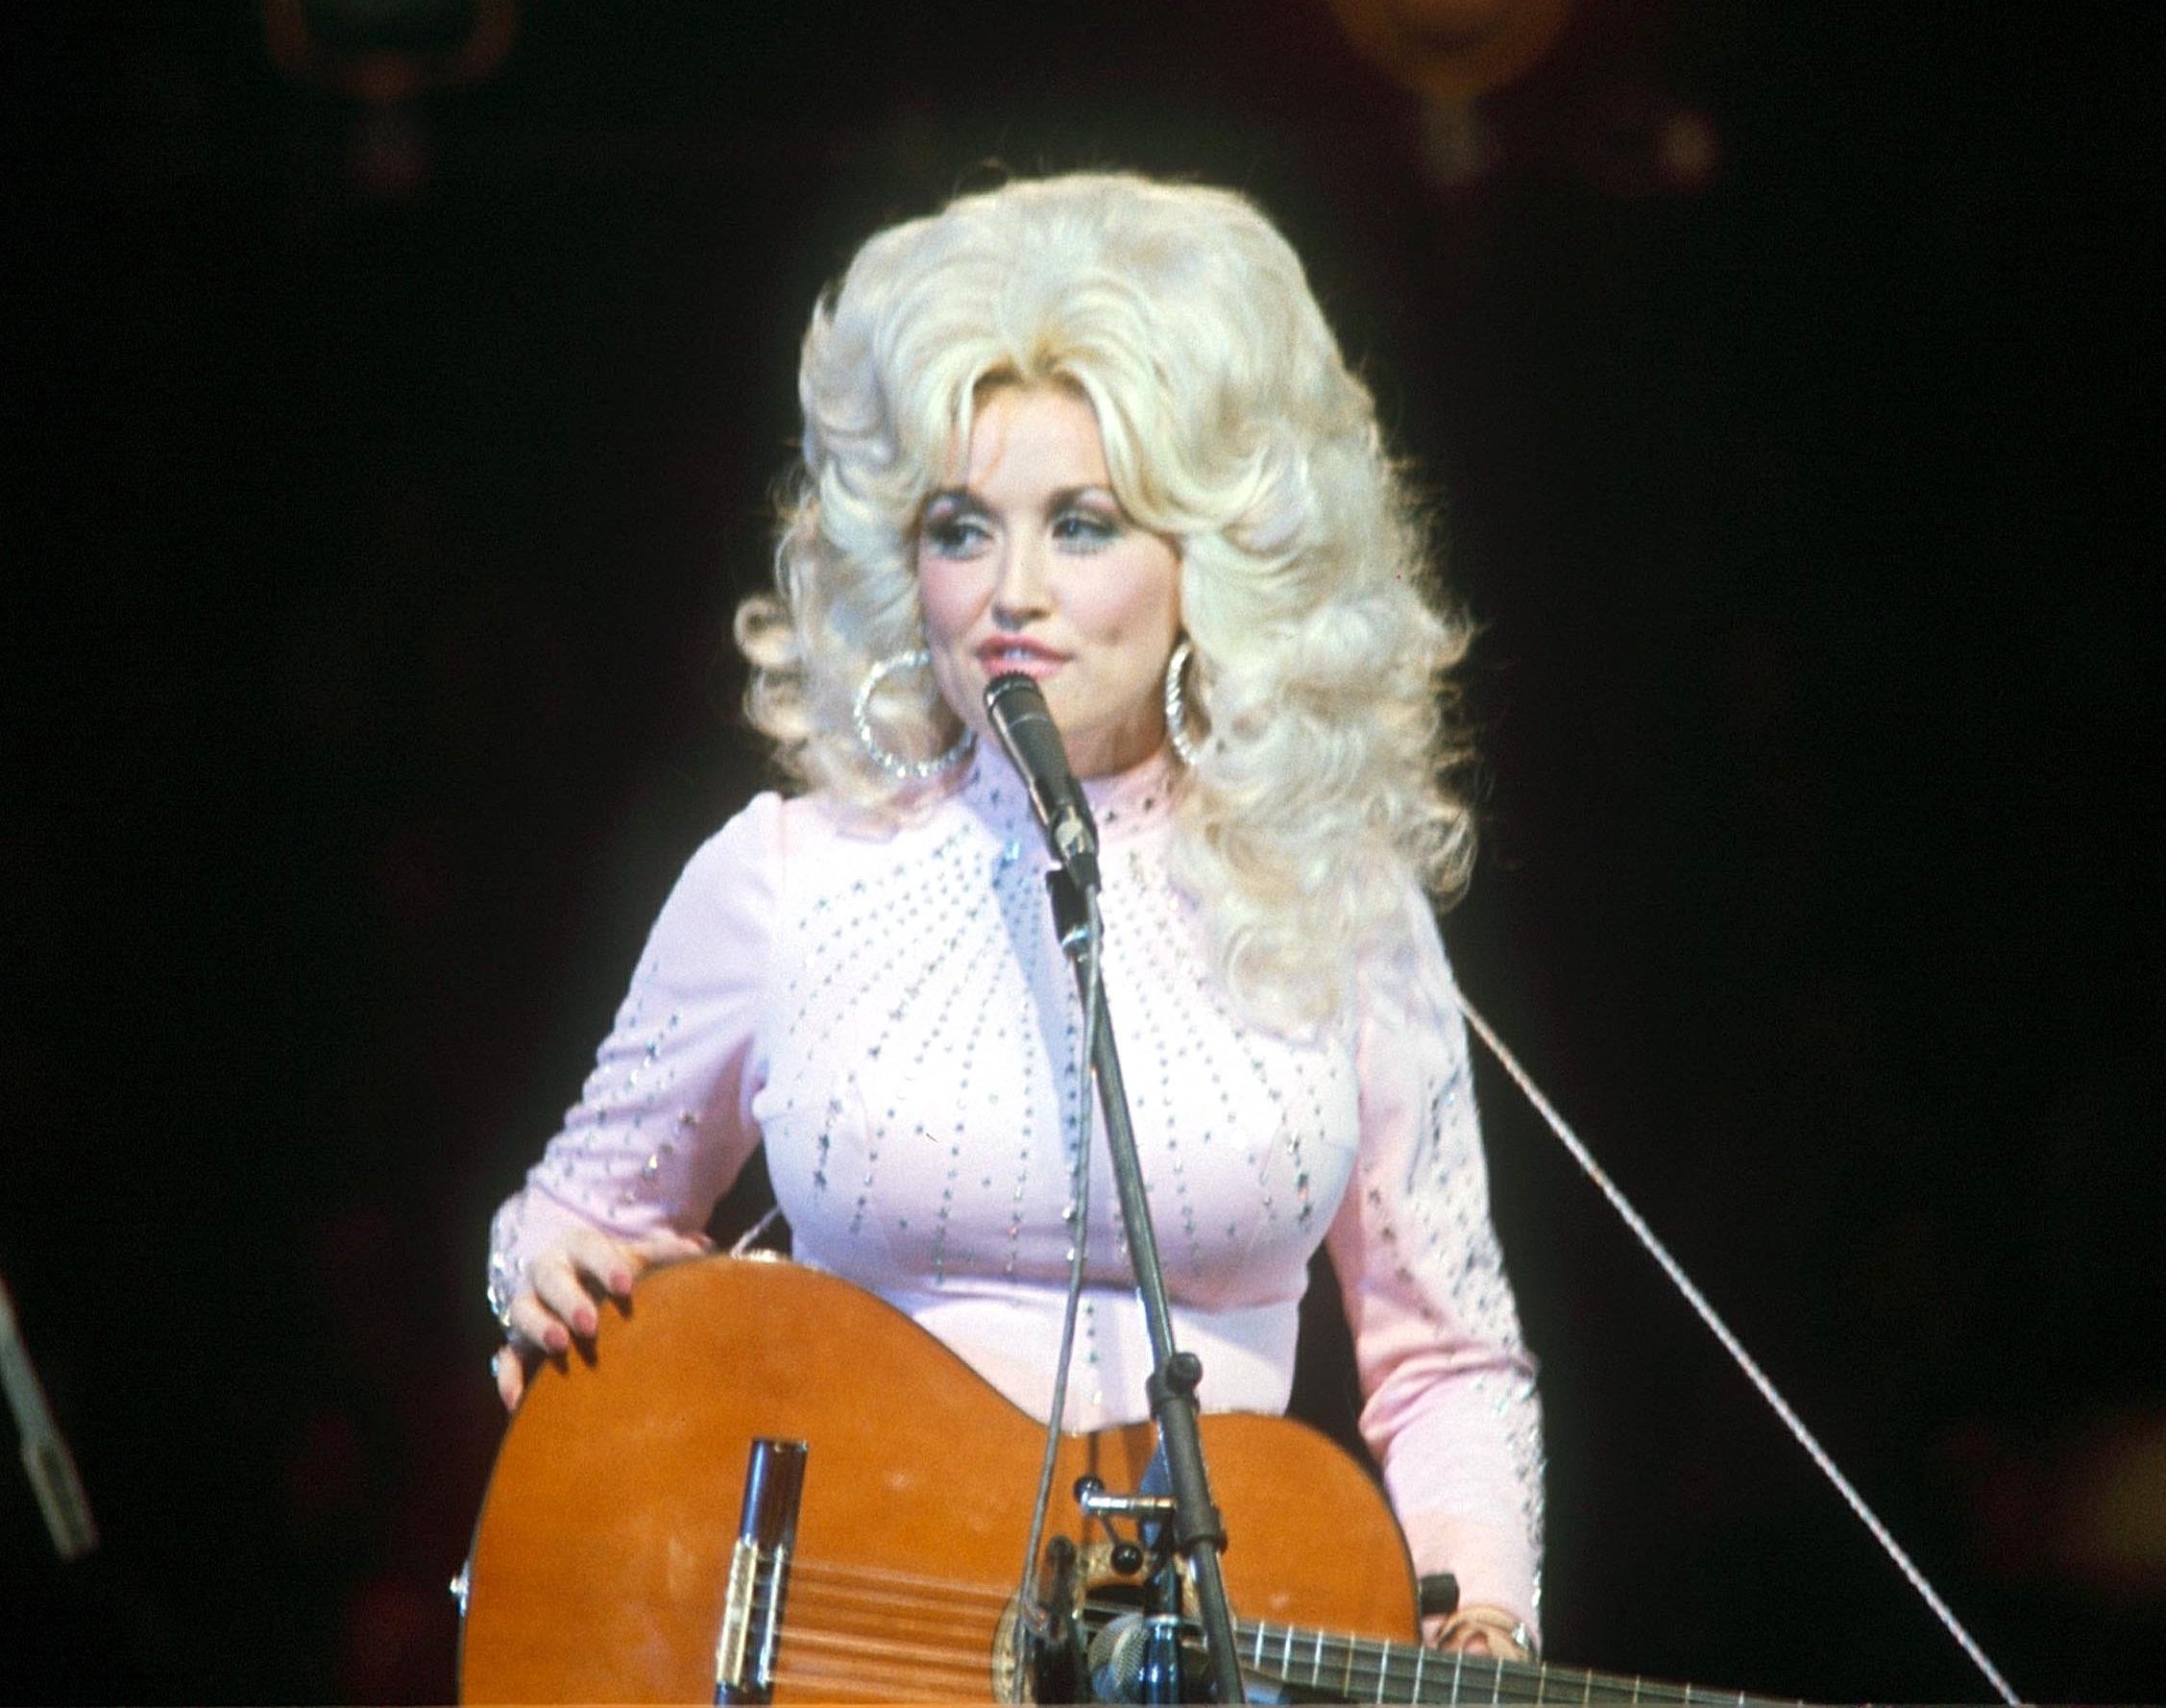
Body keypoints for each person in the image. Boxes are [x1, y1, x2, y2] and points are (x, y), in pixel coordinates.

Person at [485, 171, 1545, 1659]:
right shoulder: (785, 878)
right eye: (962, 527)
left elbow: (1444, 1357)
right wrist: (539, 1263)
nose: (1012, 594)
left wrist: (1481, 1613)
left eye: (1085, 525)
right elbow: (574, 1212)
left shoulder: (1337, 900)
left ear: (1208, 562)